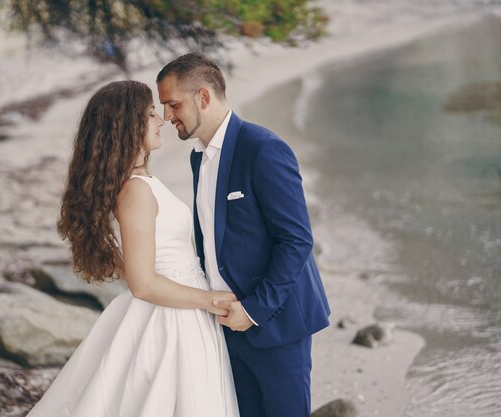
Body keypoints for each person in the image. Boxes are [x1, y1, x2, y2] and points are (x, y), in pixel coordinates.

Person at [26, 80, 240, 417]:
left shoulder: (133, 184)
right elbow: (142, 283)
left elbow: (128, 266)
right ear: (127, 128)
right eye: (152, 114)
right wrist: (210, 300)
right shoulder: (136, 191)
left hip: (177, 305)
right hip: (173, 316)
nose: (162, 121)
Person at [157, 53, 331, 417]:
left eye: (173, 104)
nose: (167, 116)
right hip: (225, 324)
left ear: (203, 97)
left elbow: (296, 240)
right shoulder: (197, 158)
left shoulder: (263, 149)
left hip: (275, 323)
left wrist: (253, 311)